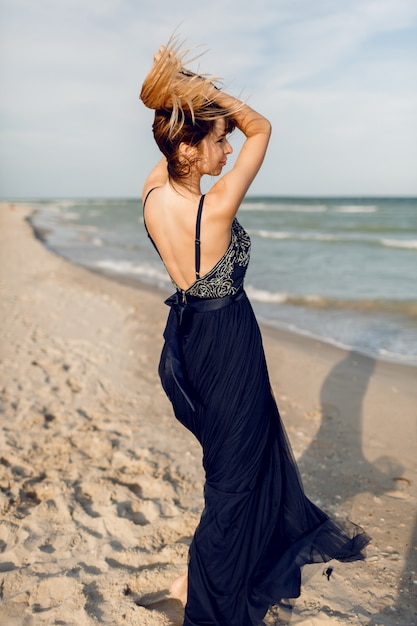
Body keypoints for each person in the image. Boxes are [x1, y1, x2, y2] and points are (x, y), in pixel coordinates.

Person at [140, 37, 370, 626]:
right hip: (229, 344)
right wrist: (209, 94)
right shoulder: (212, 210)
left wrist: (187, 96)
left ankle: (191, 577)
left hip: (190, 338)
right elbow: (262, 126)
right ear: (188, 145)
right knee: (235, 482)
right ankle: (209, 605)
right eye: (218, 140)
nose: (230, 147)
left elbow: (194, 133)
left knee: (230, 468)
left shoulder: (152, 192)